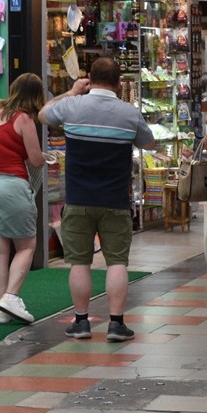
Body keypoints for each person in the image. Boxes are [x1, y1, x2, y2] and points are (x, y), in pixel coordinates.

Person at [40, 57, 155, 341]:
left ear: (89, 78)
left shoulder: (72, 106)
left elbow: (43, 114)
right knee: (117, 262)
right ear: (118, 83)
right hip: (115, 200)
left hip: (78, 199)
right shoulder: (129, 113)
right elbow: (149, 143)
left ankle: (81, 322)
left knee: (80, 262)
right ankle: (116, 324)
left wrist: (71, 92)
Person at [0, 72, 46, 325]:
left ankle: (2, 308)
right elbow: (35, 159)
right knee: (26, 246)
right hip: (10, 186)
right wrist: (47, 157)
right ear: (36, 97)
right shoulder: (24, 118)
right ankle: (11, 297)